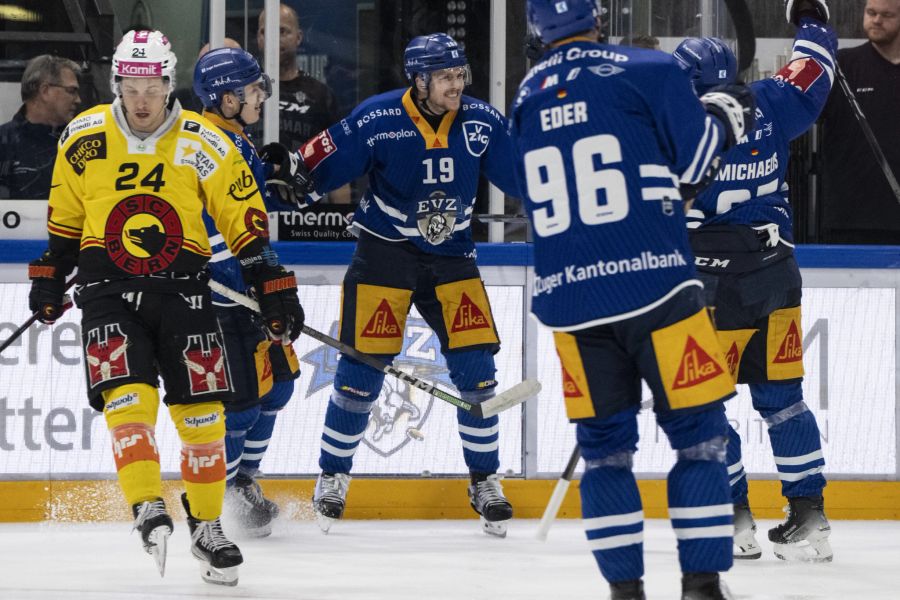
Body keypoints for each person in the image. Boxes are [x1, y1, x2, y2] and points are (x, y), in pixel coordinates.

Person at [26, 30, 303, 585]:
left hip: (185, 292)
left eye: (153, 85)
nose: (143, 99)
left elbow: (242, 216)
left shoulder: (203, 140)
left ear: (169, 83)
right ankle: (147, 505)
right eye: (131, 86)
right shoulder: (83, 137)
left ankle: (206, 525)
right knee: (126, 399)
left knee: (203, 419)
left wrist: (272, 280)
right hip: (108, 294)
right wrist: (51, 273)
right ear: (117, 85)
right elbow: (64, 219)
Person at [510, 1, 755, 598]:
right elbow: (696, 162)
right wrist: (725, 115)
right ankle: (700, 586)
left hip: (570, 300)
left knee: (605, 457)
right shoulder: (648, 68)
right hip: (658, 288)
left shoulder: (526, 96)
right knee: (701, 439)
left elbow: (526, 189)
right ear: (598, 15)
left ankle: (625, 593)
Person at [263, 32, 522, 538]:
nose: (457, 84)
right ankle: (333, 475)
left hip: (452, 261)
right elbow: (312, 172)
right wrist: (289, 178)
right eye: (445, 76)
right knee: (360, 376)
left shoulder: (483, 121)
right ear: (419, 79)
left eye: (460, 74)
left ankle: (485, 479)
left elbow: (525, 177)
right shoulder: (378, 117)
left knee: (477, 373)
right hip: (385, 259)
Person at [675, 0, 836, 563]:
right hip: (775, 276)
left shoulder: (677, 130)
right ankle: (810, 514)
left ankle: (735, 516)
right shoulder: (769, 101)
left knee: (705, 405)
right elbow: (815, 66)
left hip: (708, 289)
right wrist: (811, 19)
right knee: (784, 400)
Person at [192, 45, 301, 537]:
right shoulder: (205, 143)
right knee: (240, 405)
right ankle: (220, 501)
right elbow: (211, 226)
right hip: (219, 296)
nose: (262, 96)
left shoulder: (236, 137)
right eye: (254, 89)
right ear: (227, 98)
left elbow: (246, 209)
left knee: (278, 385)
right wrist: (244, 278)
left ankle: (244, 480)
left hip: (247, 286)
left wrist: (269, 174)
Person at [819, 0, 900, 244]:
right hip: (849, 218)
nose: (876, 20)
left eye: (887, 15)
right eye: (871, 13)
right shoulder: (841, 66)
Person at [253, 3, 350, 203]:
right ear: (258, 38)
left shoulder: (321, 95)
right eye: (266, 32)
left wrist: (341, 223)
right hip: (249, 202)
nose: (273, 38)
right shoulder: (246, 93)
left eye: (282, 31)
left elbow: (338, 167)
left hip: (305, 212)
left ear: (298, 37)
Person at [0, 55, 81, 199]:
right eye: (71, 91)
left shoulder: (82, 141)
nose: (78, 100)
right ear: (45, 91)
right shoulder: (4, 141)